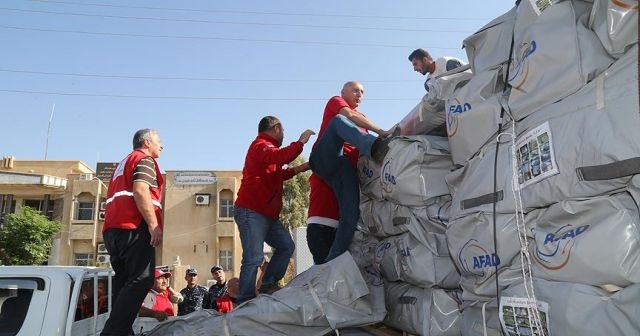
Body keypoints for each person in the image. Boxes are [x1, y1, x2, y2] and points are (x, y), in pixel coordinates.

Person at [308, 81, 396, 264]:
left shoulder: (362, 119)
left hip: (343, 167)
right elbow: (348, 115)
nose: (360, 95)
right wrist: (380, 133)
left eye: (363, 92)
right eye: (355, 90)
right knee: (340, 121)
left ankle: (331, 265)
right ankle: (374, 146)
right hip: (325, 156)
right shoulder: (337, 102)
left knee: (350, 216)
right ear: (343, 91)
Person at [234, 116, 315, 304]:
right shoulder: (261, 145)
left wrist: (304, 167)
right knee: (254, 258)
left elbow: (279, 173)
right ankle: (245, 302)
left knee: (286, 246)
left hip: (266, 215)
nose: (284, 135)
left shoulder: (267, 151)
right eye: (283, 131)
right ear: (277, 128)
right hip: (251, 211)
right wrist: (301, 141)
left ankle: (268, 284)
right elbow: (281, 157)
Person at [100, 128, 164, 336]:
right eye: (158, 141)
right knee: (143, 278)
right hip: (134, 228)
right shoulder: (144, 160)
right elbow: (140, 190)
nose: (161, 145)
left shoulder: (123, 163)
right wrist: (154, 225)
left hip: (113, 231)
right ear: (146, 142)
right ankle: (114, 331)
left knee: (125, 280)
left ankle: (121, 329)